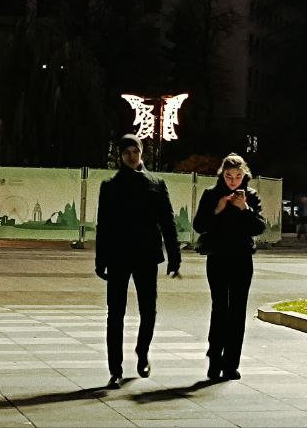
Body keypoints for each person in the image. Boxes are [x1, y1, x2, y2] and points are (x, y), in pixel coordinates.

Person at [95, 133, 180, 389]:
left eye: (135, 152)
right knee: (115, 314)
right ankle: (116, 370)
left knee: (148, 310)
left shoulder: (155, 183)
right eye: (126, 153)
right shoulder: (110, 186)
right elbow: (104, 226)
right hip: (119, 255)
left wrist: (174, 256)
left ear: (141, 153)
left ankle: (142, 352)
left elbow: (167, 221)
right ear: (120, 156)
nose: (131, 157)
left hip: (146, 255)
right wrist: (101, 260)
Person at [192, 153, 266, 382]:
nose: (233, 181)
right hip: (218, 258)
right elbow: (199, 225)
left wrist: (245, 208)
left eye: (237, 176)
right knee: (219, 309)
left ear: (244, 175)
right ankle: (215, 359)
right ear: (222, 175)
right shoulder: (211, 195)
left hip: (242, 259)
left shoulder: (251, 197)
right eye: (228, 176)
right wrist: (218, 208)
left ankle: (231, 363)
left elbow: (259, 228)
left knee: (237, 311)